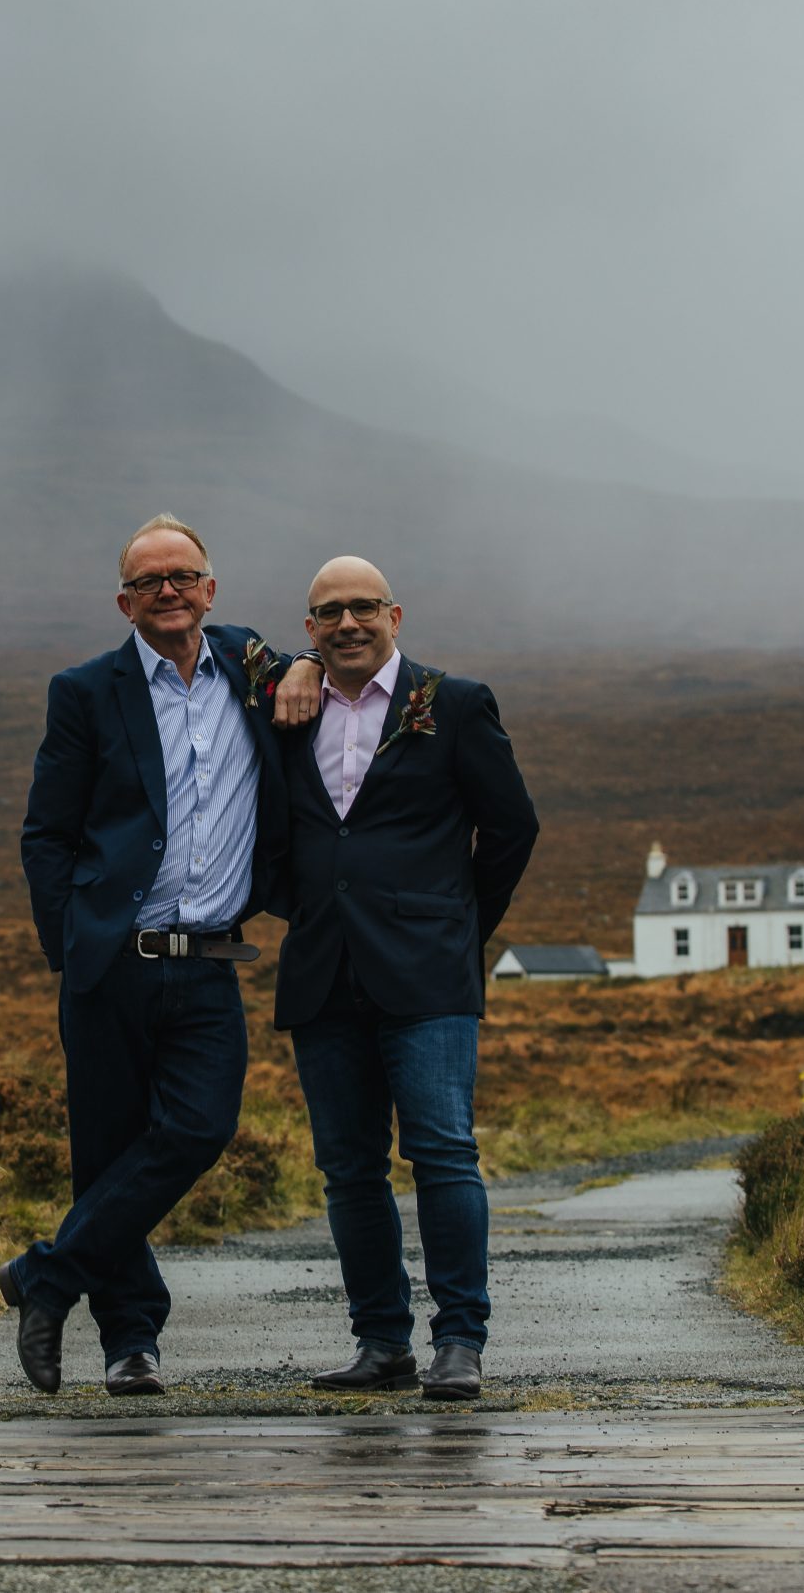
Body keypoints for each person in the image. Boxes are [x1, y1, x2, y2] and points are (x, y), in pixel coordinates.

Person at [11, 514, 297, 1396]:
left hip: (208, 959)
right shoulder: (86, 690)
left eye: (184, 576)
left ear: (211, 589)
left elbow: (310, 661)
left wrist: (314, 665)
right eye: (149, 581)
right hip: (112, 961)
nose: (168, 591)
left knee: (199, 1129)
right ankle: (130, 1342)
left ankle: (45, 1277)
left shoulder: (255, 669)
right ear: (125, 601)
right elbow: (47, 833)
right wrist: (74, 946)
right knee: (105, 1151)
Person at [271, 556, 538, 1401]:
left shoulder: (453, 704)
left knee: (443, 1154)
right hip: (323, 970)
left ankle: (460, 1338)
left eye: (363, 608)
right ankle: (380, 1340)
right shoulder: (287, 705)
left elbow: (512, 826)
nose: (348, 623)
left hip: (429, 973)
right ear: (308, 628)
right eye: (327, 614)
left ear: (396, 614)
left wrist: (458, 926)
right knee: (348, 1168)